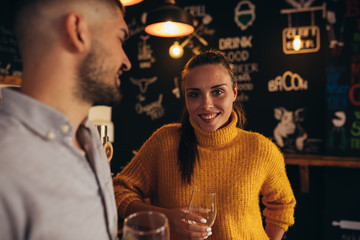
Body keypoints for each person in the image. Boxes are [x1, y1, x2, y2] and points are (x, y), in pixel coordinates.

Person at [113, 50, 296, 240]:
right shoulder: (165, 141)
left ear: (234, 92)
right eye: (194, 95)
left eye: (217, 92)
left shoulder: (261, 149)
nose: (206, 104)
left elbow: (282, 204)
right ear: (185, 97)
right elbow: (118, 191)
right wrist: (165, 218)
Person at [0, 0, 131, 239]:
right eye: (120, 38)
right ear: (78, 31)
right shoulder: (6, 164)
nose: (126, 61)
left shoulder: (89, 136)